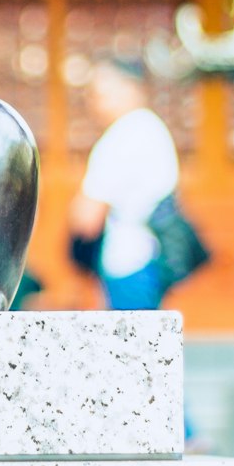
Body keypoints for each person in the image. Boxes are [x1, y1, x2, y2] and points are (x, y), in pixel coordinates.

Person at [68, 57, 178, 311]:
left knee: (128, 344)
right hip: (149, 258)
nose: (93, 101)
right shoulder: (151, 129)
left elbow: (88, 217)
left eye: (101, 92)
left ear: (131, 88)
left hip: (128, 262)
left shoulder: (126, 134)